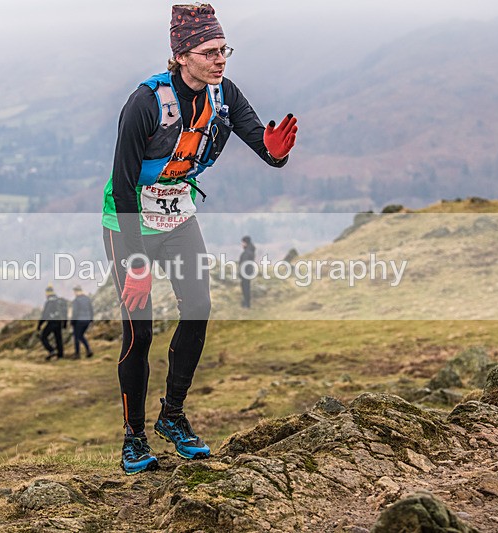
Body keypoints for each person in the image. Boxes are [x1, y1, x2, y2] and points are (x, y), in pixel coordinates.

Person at [101, 3, 297, 475]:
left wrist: (275, 154)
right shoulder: (145, 103)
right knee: (139, 331)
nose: (220, 60)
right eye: (210, 51)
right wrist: (135, 264)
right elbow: (123, 183)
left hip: (178, 216)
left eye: (223, 49)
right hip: (130, 221)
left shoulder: (224, 95)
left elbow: (261, 144)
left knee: (198, 309)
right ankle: (134, 438)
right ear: (182, 54)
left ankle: (173, 416)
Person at [36, 285, 67, 361]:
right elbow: (64, 312)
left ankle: (51, 350)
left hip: (51, 322)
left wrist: (40, 325)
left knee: (43, 337)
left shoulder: (49, 302)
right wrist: (65, 323)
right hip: (59, 322)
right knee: (58, 339)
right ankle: (60, 355)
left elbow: (45, 314)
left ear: (48, 293)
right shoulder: (59, 301)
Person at [70, 285, 94, 359]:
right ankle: (88, 350)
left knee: (76, 337)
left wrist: (72, 321)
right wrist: (91, 319)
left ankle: (77, 354)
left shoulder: (76, 300)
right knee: (80, 335)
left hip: (79, 320)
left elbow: (75, 312)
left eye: (74, 291)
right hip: (87, 320)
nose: (74, 293)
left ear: (76, 291)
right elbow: (91, 309)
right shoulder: (87, 299)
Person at [239, 235, 256, 308]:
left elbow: (243, 263)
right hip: (248, 272)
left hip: (245, 273)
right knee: (246, 287)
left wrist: (240, 272)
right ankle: (246, 303)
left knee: (245, 288)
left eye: (243, 242)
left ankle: (246, 304)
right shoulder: (251, 251)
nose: (242, 244)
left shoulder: (246, 252)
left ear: (245, 242)